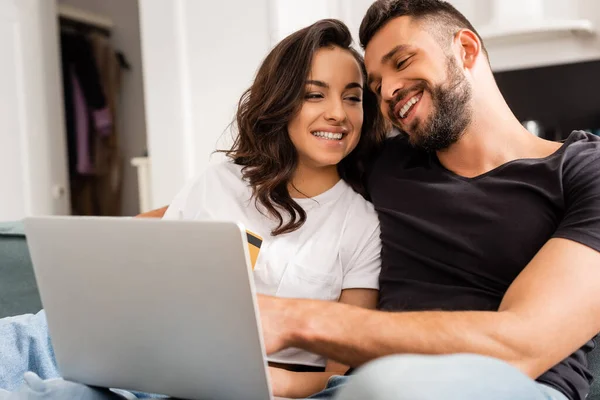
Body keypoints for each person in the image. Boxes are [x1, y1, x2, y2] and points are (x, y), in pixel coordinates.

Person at [0, 19, 387, 400]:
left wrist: (271, 384)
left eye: (352, 97)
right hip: (139, 352)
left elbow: (341, 366)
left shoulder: (361, 224)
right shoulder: (220, 181)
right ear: (282, 102)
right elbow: (144, 279)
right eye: (314, 94)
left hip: (241, 383)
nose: (338, 113)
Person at [257, 1, 600, 400]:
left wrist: (296, 320)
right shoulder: (381, 165)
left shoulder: (583, 171)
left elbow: (522, 345)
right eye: (375, 85)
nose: (386, 92)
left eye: (402, 62)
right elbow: (266, 183)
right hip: (360, 388)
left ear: (466, 50)